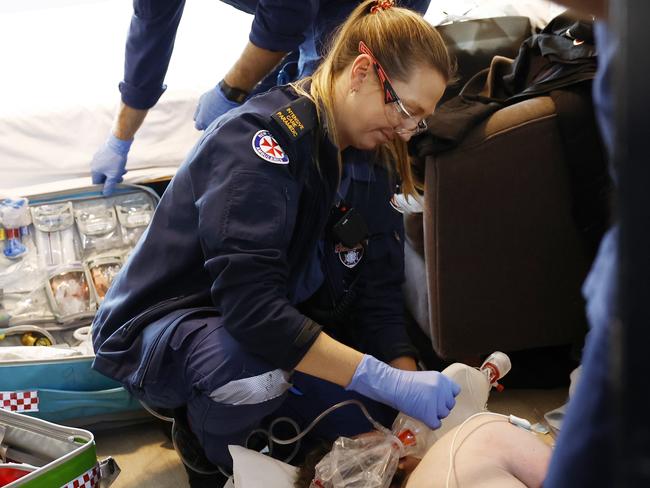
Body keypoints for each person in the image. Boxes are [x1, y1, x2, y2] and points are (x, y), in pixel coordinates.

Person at [91, 1, 458, 486]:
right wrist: (380, 377)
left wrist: (404, 392)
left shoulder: (372, 159)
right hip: (171, 329)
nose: (407, 130)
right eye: (406, 110)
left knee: (378, 430)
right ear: (363, 72)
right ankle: (205, 447)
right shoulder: (262, 143)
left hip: (268, 328)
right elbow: (252, 309)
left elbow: (379, 297)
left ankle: (260, 424)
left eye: (420, 120)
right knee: (253, 374)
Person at [89, 0, 430, 196]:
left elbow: (286, 14)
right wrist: (121, 137)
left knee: (333, 134)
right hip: (310, 10)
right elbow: (151, 28)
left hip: (371, 8)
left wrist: (230, 90)